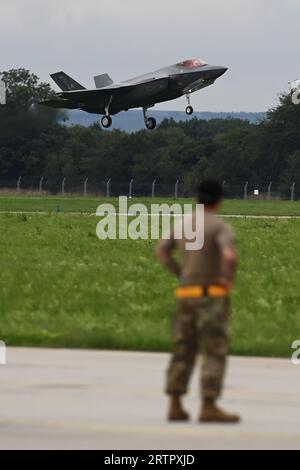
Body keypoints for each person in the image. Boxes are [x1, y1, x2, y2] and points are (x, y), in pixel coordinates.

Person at [155, 180, 240, 423]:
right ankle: (209, 404)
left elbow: (161, 251)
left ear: (197, 199)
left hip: (186, 295)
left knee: (183, 349)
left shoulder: (182, 224)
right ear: (219, 200)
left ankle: (175, 403)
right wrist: (227, 278)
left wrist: (180, 274)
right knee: (213, 349)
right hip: (211, 295)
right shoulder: (220, 226)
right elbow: (229, 255)